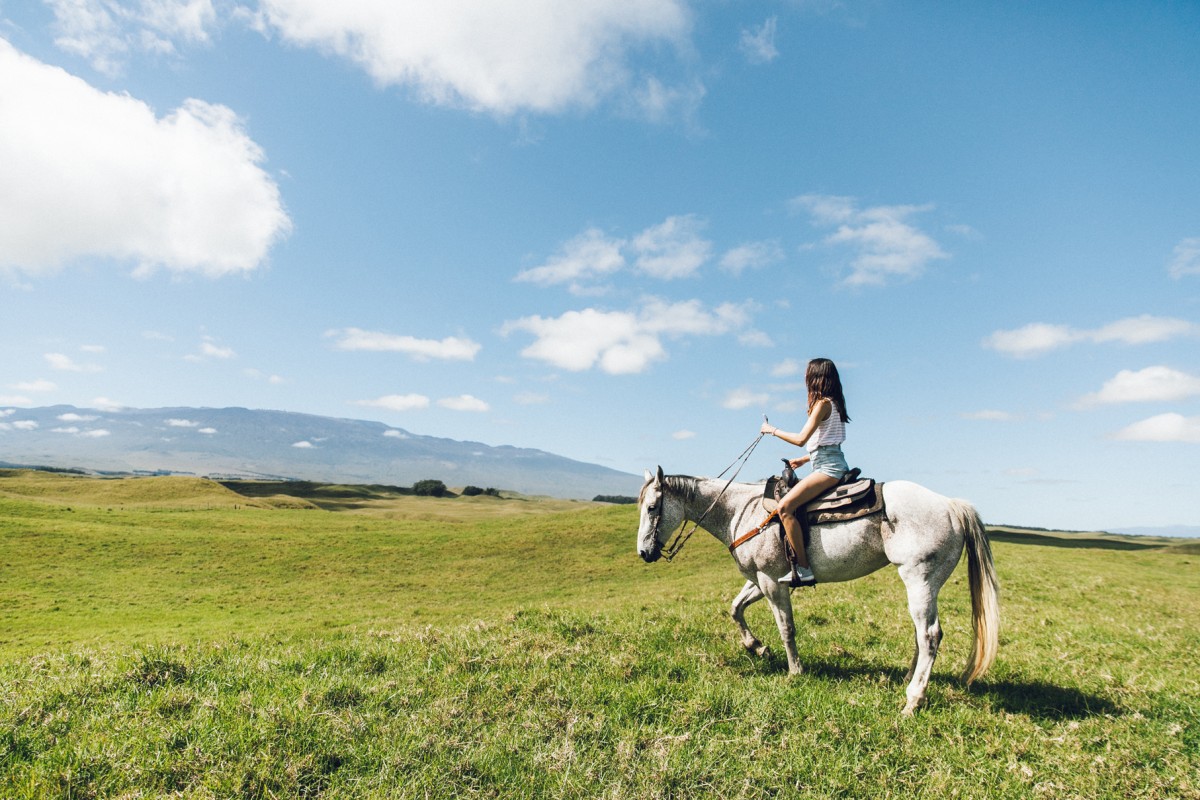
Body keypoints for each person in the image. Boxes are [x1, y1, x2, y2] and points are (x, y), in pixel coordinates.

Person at [759, 357, 851, 586]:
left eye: (807, 374)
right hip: (830, 463)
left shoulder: (822, 404)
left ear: (816, 377)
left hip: (828, 469)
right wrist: (803, 460)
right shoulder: (835, 403)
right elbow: (828, 444)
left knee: (785, 507)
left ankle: (803, 568)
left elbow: (801, 439)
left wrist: (772, 430)